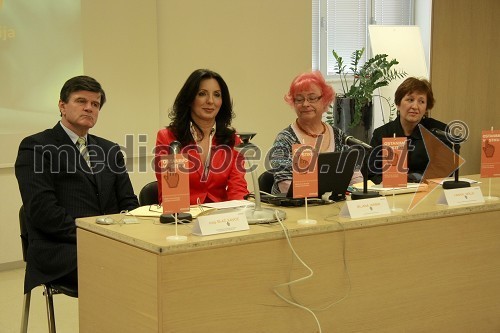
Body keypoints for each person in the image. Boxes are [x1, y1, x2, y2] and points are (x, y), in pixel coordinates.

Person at [15, 75, 139, 294]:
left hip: (111, 243)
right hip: (62, 249)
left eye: (95, 104)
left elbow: (128, 202)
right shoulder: (36, 147)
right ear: (62, 106)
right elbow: (43, 212)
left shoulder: (110, 150)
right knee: (122, 271)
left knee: (153, 264)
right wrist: (94, 236)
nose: (89, 108)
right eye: (81, 101)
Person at [155, 69, 248, 204]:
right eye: (202, 94)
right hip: (184, 217)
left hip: (221, 218)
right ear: (189, 99)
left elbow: (237, 188)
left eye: (217, 95)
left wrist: (242, 211)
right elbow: (171, 192)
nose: (210, 101)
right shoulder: (168, 138)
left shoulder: (233, 139)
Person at [269, 71, 362, 195]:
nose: (305, 104)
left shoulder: (338, 135)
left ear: (325, 100)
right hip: (297, 209)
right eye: (299, 99)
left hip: (334, 207)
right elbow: (286, 186)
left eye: (312, 98)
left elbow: (355, 177)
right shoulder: (285, 139)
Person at [367, 77, 452, 184]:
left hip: (427, 193)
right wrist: (392, 182)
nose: (415, 106)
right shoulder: (382, 134)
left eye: (421, 101)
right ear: (398, 104)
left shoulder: (439, 131)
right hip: (391, 193)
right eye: (410, 100)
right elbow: (371, 173)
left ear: (426, 108)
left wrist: (414, 180)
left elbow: (445, 171)